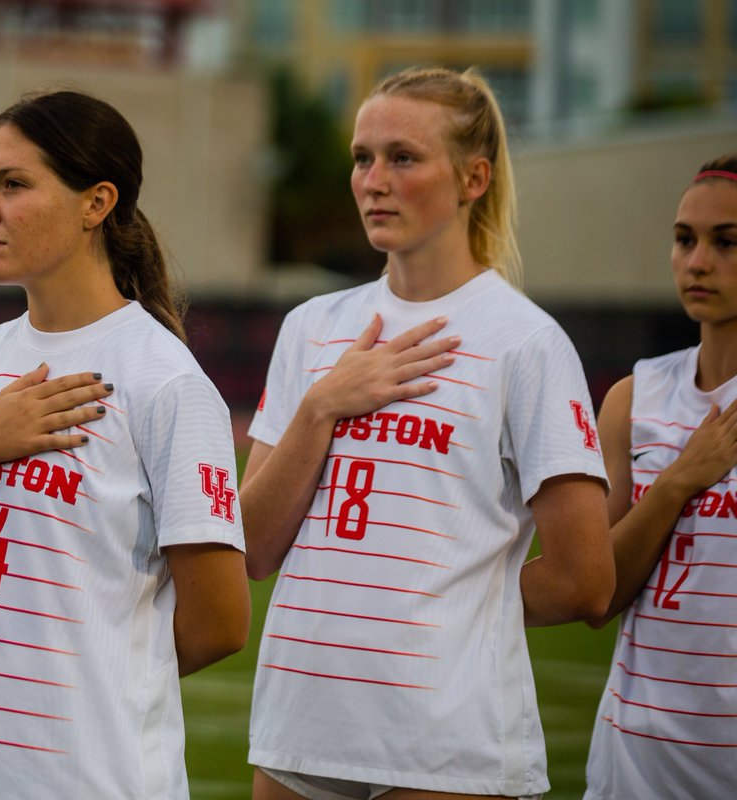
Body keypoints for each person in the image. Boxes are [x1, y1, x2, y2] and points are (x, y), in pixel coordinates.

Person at [241, 66, 616, 800]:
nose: (373, 180)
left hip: (446, 739)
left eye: (403, 158)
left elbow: (585, 581)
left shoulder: (525, 343)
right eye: (362, 157)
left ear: (473, 178)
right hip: (298, 725)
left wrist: (447, 613)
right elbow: (251, 549)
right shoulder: (312, 329)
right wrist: (321, 408)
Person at [0, 90, 250, 799]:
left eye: (13, 184)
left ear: (96, 203)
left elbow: (220, 622)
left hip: (96, 778)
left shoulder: (164, 380)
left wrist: (92, 676)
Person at [583, 155, 737, 800]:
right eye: (684, 239)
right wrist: (677, 483)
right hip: (635, 763)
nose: (697, 261)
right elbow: (598, 593)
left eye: (726, 242)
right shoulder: (633, 397)